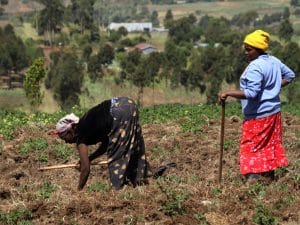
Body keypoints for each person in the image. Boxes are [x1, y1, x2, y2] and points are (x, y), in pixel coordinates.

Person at [219, 30, 295, 183]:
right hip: (274, 113)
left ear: (259, 49)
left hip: (258, 116)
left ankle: (253, 180)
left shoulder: (255, 67)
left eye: (249, 50)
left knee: (250, 147)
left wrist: (228, 93)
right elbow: (290, 75)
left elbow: (252, 93)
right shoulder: (273, 61)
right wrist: (272, 89)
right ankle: (268, 176)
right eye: (245, 49)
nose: (246, 53)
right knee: (269, 144)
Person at [49, 97, 151, 190]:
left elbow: (85, 169)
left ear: (70, 130)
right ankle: (140, 180)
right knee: (133, 147)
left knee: (116, 156)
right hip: (127, 104)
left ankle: (119, 188)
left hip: (118, 113)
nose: (66, 142)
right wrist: (90, 158)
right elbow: (106, 144)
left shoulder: (81, 137)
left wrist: (79, 190)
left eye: (64, 138)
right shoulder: (87, 122)